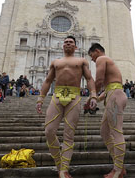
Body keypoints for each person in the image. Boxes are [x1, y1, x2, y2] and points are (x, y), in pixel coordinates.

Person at [36, 36, 97, 178]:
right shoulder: (55, 62)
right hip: (56, 96)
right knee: (49, 131)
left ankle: (64, 169)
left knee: (69, 134)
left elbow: (89, 78)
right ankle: (58, 162)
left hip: (74, 97)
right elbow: (47, 80)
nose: (68, 44)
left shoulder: (82, 61)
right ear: (62, 46)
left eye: (71, 42)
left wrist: (93, 94)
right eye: (66, 42)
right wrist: (40, 99)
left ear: (76, 47)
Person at [88, 43, 127, 178]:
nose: (92, 60)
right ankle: (119, 165)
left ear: (97, 51)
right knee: (104, 132)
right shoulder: (108, 62)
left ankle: (117, 171)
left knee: (116, 132)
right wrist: (94, 99)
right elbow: (109, 86)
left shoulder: (101, 59)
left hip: (115, 96)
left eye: (92, 56)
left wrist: (92, 95)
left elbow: (98, 81)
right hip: (112, 94)